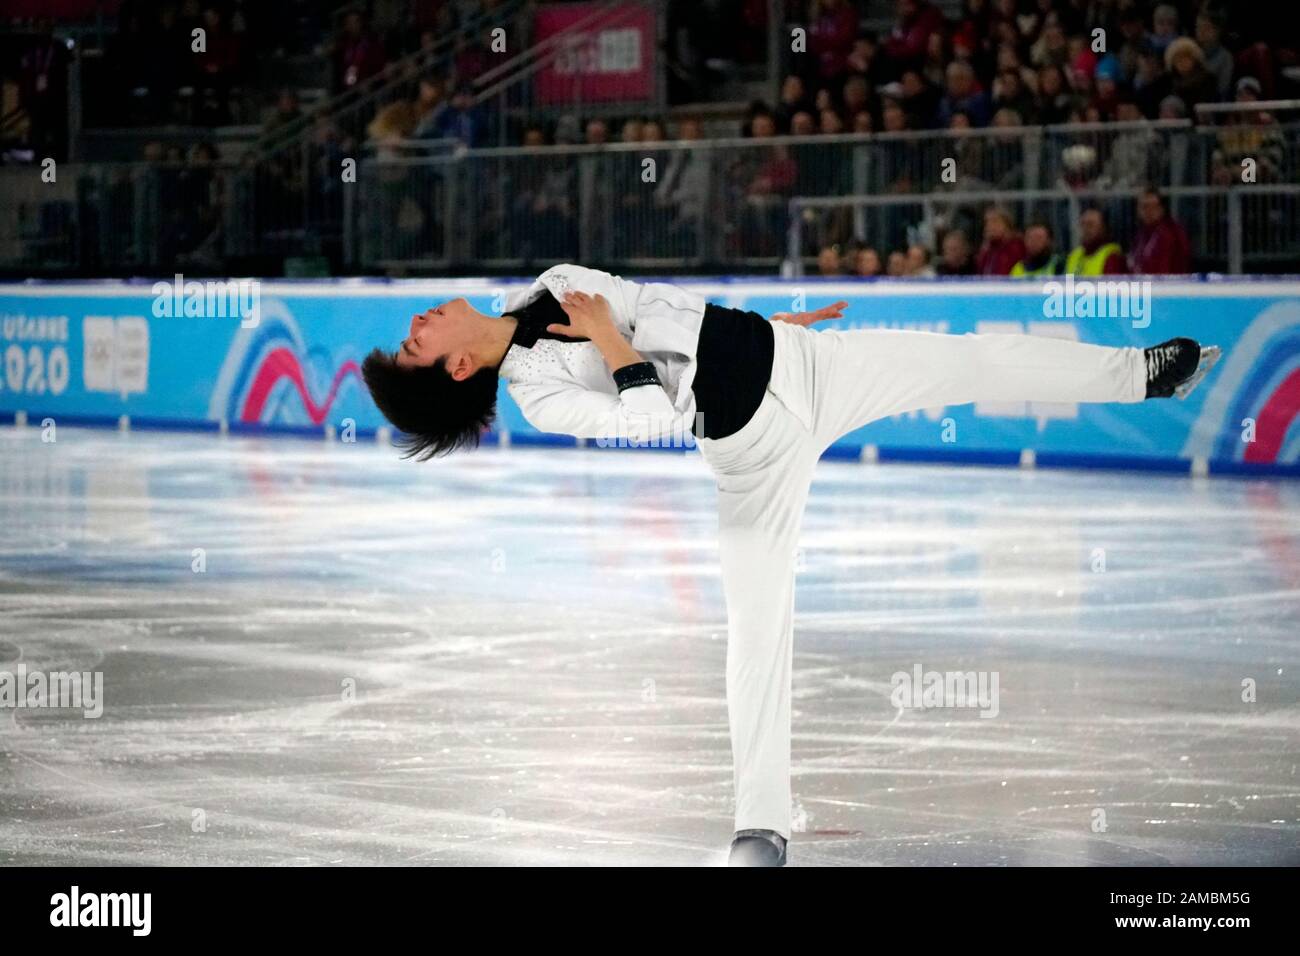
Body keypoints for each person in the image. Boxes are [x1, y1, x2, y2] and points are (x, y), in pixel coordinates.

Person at [360, 264, 1221, 866]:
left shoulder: (545, 280)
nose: (415, 326)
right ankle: (759, 830)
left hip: (809, 363)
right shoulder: (541, 396)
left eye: (407, 337)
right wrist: (605, 344)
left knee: (966, 357)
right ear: (461, 367)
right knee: (757, 636)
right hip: (753, 456)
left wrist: (765, 331)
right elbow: (659, 420)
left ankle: (1140, 374)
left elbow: (668, 311)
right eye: (414, 349)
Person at [1130, 188, 1192, 275]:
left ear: (1162, 209)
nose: (1149, 211)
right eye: (1145, 206)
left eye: (1154, 207)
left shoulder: (1171, 234)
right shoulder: (1140, 235)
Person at [1065, 208, 1127, 275]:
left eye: (1090, 225)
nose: (1085, 229)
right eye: (1082, 224)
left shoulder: (1112, 258)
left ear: (1104, 228)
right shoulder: (1074, 256)